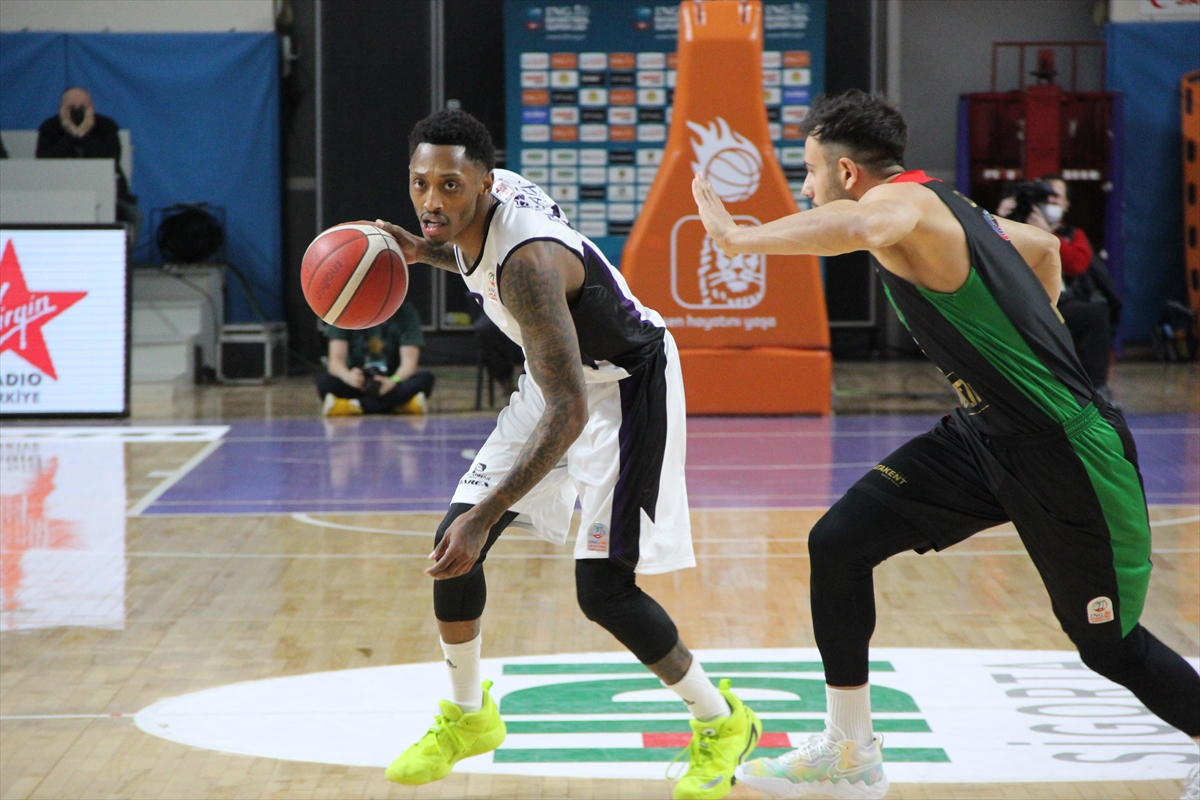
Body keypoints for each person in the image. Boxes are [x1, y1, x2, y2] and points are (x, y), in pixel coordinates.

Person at [692, 90, 1200, 800]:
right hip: (983, 435)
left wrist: (738, 237)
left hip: (1065, 452)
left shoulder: (901, 204)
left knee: (1111, 648)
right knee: (838, 543)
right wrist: (1037, 329)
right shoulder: (951, 205)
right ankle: (850, 751)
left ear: (846, 173)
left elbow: (862, 222)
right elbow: (1043, 248)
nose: (805, 188)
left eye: (808, 171)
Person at [373, 109, 761, 800]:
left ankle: (723, 721)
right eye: (420, 183)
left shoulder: (527, 264)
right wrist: (421, 251)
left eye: (449, 186)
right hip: (555, 379)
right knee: (452, 545)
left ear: (483, 184)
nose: (432, 200)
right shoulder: (480, 209)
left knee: (602, 589)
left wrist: (488, 514)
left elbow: (571, 410)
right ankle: (468, 716)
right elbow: (478, 258)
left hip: (623, 386)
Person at [999, 178, 1120, 398]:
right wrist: (997, 220)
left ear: (1066, 204)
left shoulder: (1072, 235)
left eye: (1057, 197)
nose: (1051, 202)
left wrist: (1046, 233)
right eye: (1047, 197)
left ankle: (1097, 388)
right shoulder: (1006, 226)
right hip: (1018, 301)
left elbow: (1077, 265)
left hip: (1057, 301)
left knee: (1096, 314)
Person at [36, 86, 141, 240]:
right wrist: (70, 134)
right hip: (60, 195)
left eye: (82, 107)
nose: (77, 111)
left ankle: (123, 254)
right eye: (71, 107)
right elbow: (44, 162)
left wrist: (84, 135)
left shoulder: (107, 126)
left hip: (110, 197)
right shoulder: (49, 128)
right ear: (61, 109)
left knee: (134, 217)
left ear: (92, 107)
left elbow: (110, 161)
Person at [317, 301, 434, 416]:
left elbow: (409, 363)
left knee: (425, 379)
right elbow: (335, 361)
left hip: (390, 382)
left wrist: (393, 381)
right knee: (324, 381)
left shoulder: (405, 312)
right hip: (357, 383)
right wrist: (348, 376)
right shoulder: (344, 311)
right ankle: (398, 406)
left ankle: (354, 405)